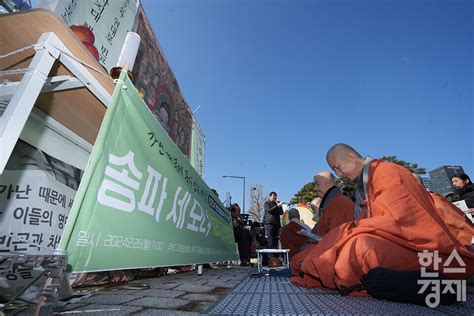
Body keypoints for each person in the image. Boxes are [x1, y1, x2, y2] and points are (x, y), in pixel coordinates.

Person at [292, 143, 474, 296]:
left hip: (423, 246)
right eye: (334, 170)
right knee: (343, 248)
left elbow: (398, 218)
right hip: (396, 239)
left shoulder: (385, 172)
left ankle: (431, 281)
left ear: (351, 156)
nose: (339, 174)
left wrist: (347, 231)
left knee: (359, 247)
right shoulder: (368, 180)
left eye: (338, 167)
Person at [311, 171, 355, 236]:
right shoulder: (330, 203)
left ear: (329, 184)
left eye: (317, 184)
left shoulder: (338, 203)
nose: (315, 188)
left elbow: (335, 237)